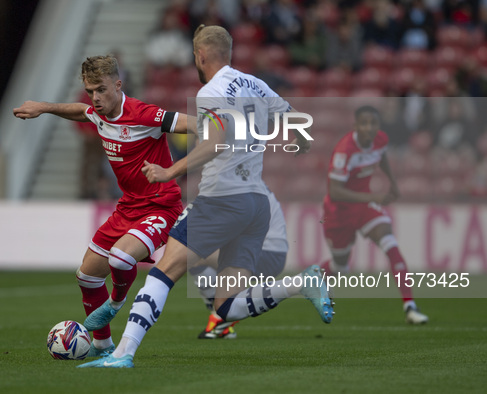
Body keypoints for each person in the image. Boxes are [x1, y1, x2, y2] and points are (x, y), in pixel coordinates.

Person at [78, 25, 333, 369]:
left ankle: (122, 353)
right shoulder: (256, 84)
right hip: (257, 204)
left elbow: (216, 142)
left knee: (162, 272)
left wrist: (170, 172)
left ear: (200, 55)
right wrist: (300, 141)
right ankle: (301, 284)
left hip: (222, 198)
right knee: (226, 306)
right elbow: (294, 119)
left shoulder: (212, 91)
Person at [13, 55, 191, 358]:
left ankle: (116, 302)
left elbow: (196, 125)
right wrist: (43, 107)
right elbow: (81, 112)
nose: (95, 98)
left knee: (121, 259)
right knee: (87, 276)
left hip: (161, 206)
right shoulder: (98, 113)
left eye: (101, 89)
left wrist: (216, 132)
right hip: (128, 208)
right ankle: (102, 345)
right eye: (90, 90)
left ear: (118, 85)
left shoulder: (144, 114)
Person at [319, 105, 428, 325]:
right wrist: (375, 197)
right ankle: (310, 279)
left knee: (390, 243)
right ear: (355, 126)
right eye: (364, 123)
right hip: (338, 213)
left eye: (373, 123)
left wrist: (393, 183)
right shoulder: (345, 151)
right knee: (340, 267)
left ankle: (410, 306)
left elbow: (382, 155)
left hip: (364, 207)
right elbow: (335, 191)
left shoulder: (380, 140)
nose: (369, 127)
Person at [191, 186, 289, 339]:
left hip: (266, 255)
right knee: (194, 254)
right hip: (268, 253)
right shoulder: (246, 185)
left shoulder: (242, 189)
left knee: (194, 255)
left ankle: (221, 319)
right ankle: (221, 318)